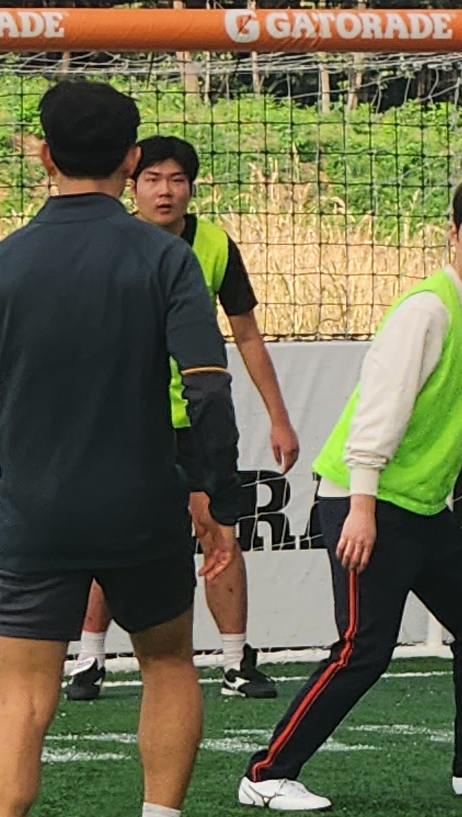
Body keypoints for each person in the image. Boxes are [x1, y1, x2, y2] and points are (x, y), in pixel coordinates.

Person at [0, 76, 242, 817]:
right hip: (141, 508)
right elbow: (209, 392)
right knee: (169, 662)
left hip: (37, 515)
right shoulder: (166, 259)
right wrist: (217, 502)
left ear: (43, 155)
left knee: (22, 699)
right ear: (133, 162)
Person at [238, 171, 462, 814]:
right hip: (362, 501)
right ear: (453, 233)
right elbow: (379, 411)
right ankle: (266, 773)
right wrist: (361, 508)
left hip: (420, 508)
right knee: (364, 648)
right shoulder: (426, 311)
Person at [67, 134, 305, 707]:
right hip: (126, 421)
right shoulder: (110, 241)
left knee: (218, 529)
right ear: (132, 185)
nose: (165, 191)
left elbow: (247, 335)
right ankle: (89, 658)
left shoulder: (215, 244)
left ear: (191, 188)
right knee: (109, 534)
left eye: (176, 180)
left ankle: (235, 661)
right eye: (153, 179)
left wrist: (279, 418)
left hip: (198, 418)